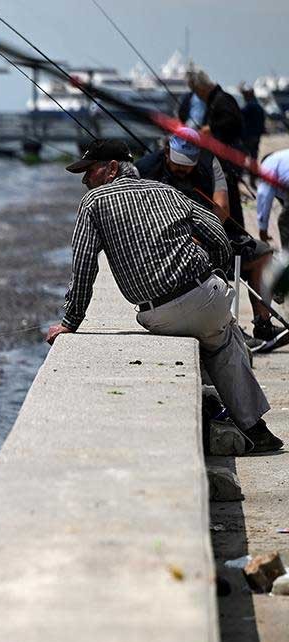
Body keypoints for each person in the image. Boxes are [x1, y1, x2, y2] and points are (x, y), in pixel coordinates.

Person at [46, 139, 282, 453]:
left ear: (112, 168)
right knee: (223, 339)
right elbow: (218, 235)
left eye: (89, 171)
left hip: (158, 314)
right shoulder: (166, 192)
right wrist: (217, 269)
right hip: (206, 294)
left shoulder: (93, 202)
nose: (84, 180)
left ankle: (231, 418)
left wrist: (70, 321)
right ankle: (254, 427)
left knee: (221, 338)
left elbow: (84, 265)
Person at [136, 128, 278, 342]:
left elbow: (222, 207)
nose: (183, 170)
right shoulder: (145, 168)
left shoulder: (209, 162)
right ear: (167, 153)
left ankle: (263, 325)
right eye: (178, 165)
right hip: (168, 240)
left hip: (208, 231)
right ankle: (225, 327)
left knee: (262, 253)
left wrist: (203, 235)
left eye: (188, 165)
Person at [187, 68, 247, 233]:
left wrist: (210, 128)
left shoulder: (222, 100)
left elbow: (234, 124)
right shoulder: (216, 100)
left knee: (231, 202)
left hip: (228, 160)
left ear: (202, 88)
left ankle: (239, 238)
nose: (197, 96)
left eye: (197, 92)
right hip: (223, 158)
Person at [256, 147, 289, 247]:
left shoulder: (267, 164)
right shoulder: (282, 159)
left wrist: (263, 229)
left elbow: (265, 196)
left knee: (285, 222)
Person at [241, 84, 267, 180]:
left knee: (245, 155)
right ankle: (253, 175)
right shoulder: (257, 106)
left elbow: (240, 114)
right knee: (253, 155)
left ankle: (251, 175)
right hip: (256, 136)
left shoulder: (250, 106)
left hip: (250, 136)